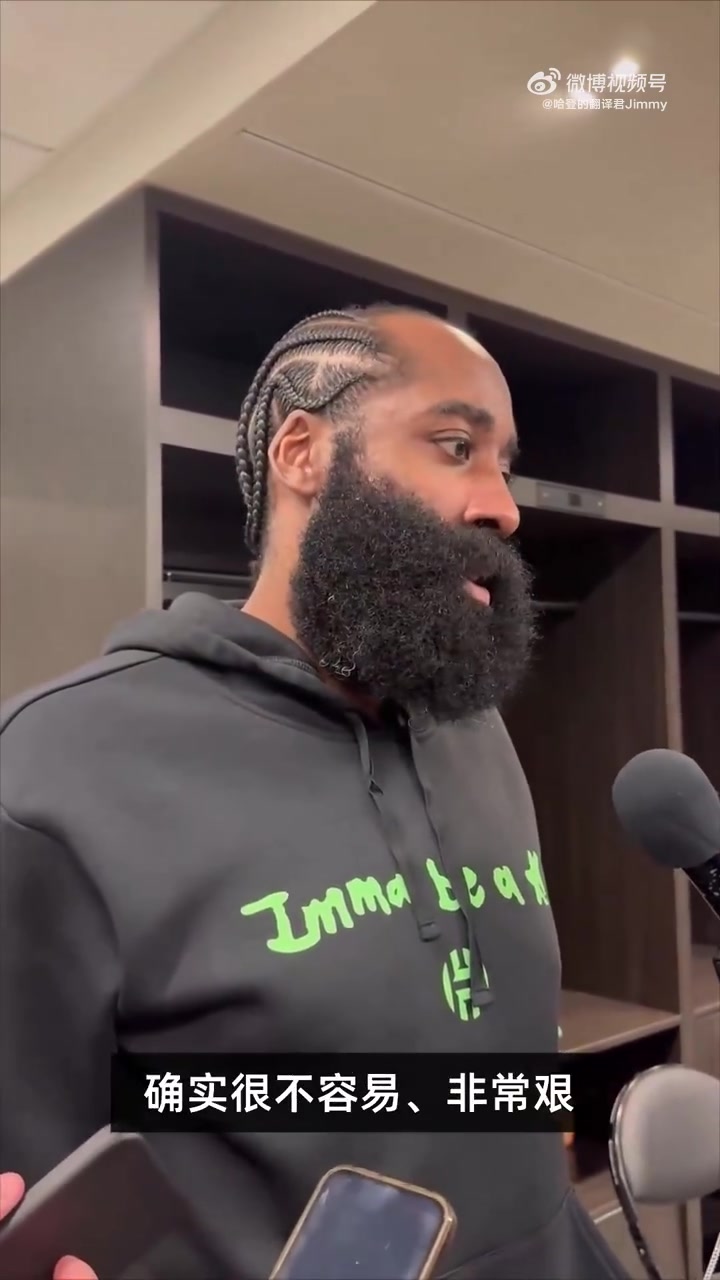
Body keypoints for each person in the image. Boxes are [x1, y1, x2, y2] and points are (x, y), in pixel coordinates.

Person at [0, 307, 628, 1279]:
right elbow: (44, 1205)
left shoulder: (473, 726)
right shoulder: (56, 766)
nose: (503, 505)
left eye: (504, 463)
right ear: (302, 451)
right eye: (456, 445)